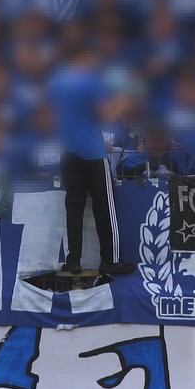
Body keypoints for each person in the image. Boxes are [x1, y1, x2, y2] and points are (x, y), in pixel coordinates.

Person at [47, 47, 132, 275]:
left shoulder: (57, 83)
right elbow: (106, 115)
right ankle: (110, 260)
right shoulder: (91, 82)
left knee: (73, 207)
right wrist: (123, 102)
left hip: (69, 151)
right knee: (105, 206)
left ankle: (73, 259)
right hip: (93, 153)